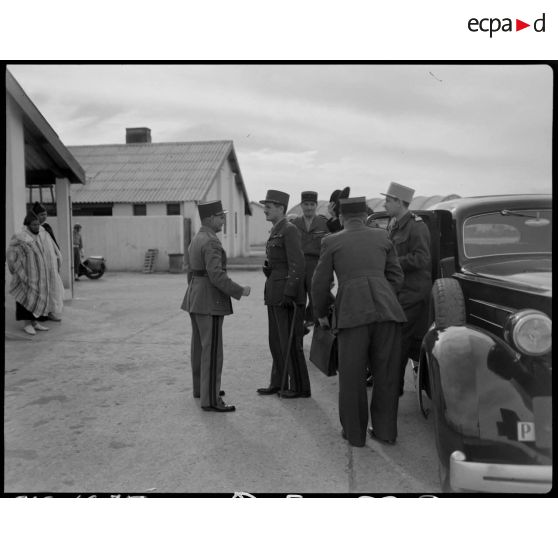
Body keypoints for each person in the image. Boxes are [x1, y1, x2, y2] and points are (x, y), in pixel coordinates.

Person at [312, 197, 406, 447]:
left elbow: (320, 284)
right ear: (365, 216)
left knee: (352, 377)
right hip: (388, 314)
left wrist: (322, 312)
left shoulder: (331, 241)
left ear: (342, 218)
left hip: (352, 315)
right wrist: (383, 297)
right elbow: (396, 277)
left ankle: (355, 435)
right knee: (386, 374)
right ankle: (386, 432)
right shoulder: (383, 237)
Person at [181, 200, 251, 412]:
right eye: (221, 216)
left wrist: (195, 293)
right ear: (210, 218)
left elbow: (190, 272)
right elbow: (216, 275)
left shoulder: (197, 238)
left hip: (195, 297)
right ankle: (211, 399)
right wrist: (240, 290)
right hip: (209, 300)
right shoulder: (211, 241)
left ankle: (202, 389)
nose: (223, 220)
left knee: (199, 348)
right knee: (212, 350)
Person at [257, 189, 311, 399]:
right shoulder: (276, 229)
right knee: (276, 341)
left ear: (281, 208)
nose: (265, 211)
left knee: (290, 341)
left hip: (285, 295)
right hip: (274, 291)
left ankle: (300, 387)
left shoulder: (289, 230)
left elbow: (298, 264)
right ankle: (278, 382)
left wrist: (290, 292)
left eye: (269, 207)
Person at [381, 182, 432, 396]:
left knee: (399, 340)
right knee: (395, 339)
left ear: (400, 202)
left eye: (388, 200)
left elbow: (422, 258)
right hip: (400, 292)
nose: (385, 204)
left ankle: (394, 387)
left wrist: (392, 262)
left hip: (412, 292)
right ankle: (393, 384)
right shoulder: (394, 224)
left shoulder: (416, 225)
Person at [7, 212, 65, 335]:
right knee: (25, 300)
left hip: (38, 278)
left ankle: (34, 322)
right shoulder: (20, 237)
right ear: (27, 225)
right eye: (34, 225)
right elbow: (11, 254)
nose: (37, 227)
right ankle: (26, 324)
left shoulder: (38, 236)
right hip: (25, 275)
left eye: (38, 224)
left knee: (36, 300)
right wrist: (14, 270)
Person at [290, 191, 329, 328]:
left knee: (317, 296)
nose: (309, 207)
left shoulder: (324, 224)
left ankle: (314, 322)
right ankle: (299, 327)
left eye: (312, 204)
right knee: (299, 297)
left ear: (316, 205)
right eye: (306, 204)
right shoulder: (294, 224)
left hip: (317, 265)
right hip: (299, 265)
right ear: (301, 205)